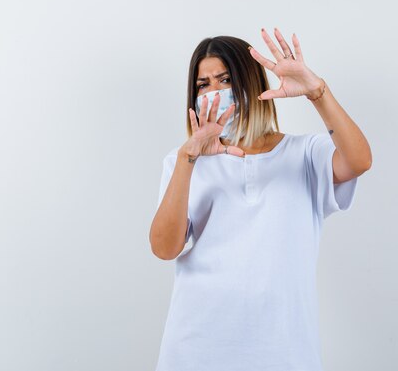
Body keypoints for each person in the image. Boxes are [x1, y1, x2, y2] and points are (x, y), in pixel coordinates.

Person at [149, 27, 372, 371]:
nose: (214, 92)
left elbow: (359, 160)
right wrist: (187, 159)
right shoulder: (183, 162)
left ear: (250, 84)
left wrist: (317, 93)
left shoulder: (304, 154)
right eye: (203, 85)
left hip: (283, 349)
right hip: (196, 347)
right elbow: (165, 248)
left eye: (225, 80)